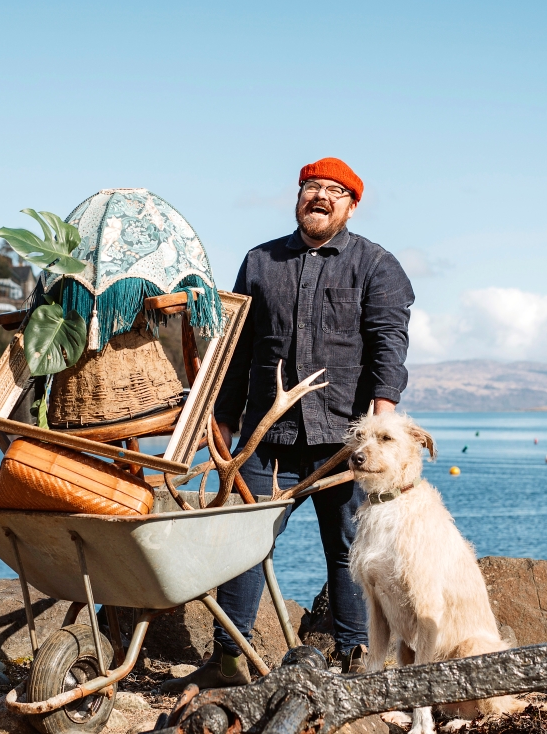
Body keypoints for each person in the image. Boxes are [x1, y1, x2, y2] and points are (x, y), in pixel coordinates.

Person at [162, 157, 414, 693]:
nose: (320, 197)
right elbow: (237, 349)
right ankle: (230, 660)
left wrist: (383, 412)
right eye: (311, 188)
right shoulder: (259, 262)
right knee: (243, 542)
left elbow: (390, 342)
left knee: (352, 549)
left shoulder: (377, 265)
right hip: (265, 438)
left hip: (345, 440)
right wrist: (224, 417)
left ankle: (355, 658)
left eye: (333, 191)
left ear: (351, 204)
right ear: (298, 196)